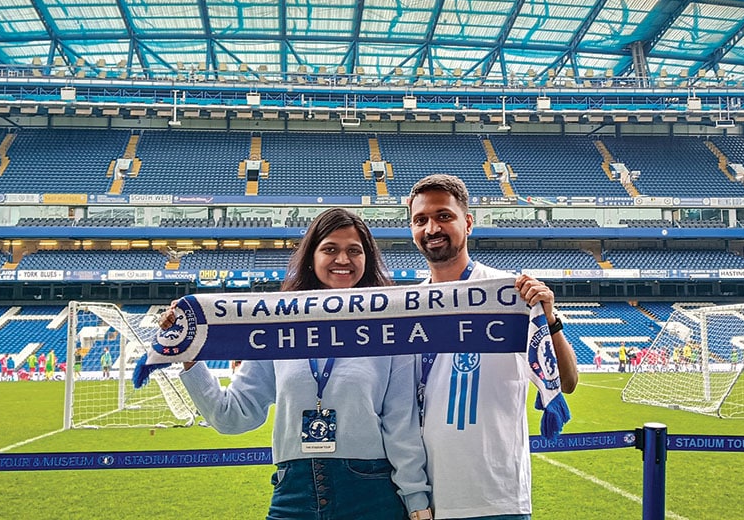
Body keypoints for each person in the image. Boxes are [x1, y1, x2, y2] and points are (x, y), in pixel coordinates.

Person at [168, 208, 431, 520]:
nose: (342, 260)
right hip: (293, 492)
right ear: (312, 256)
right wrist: (189, 358)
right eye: (330, 249)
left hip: (370, 491)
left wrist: (416, 500)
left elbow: (401, 424)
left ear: (367, 259)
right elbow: (232, 417)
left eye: (354, 250)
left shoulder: (388, 328)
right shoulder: (275, 325)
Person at [407, 173, 578, 519]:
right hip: (423, 500)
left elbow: (567, 381)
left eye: (444, 216)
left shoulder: (509, 295)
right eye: (420, 220)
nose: (432, 228)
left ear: (468, 222)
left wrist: (550, 319)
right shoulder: (407, 304)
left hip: (496, 498)